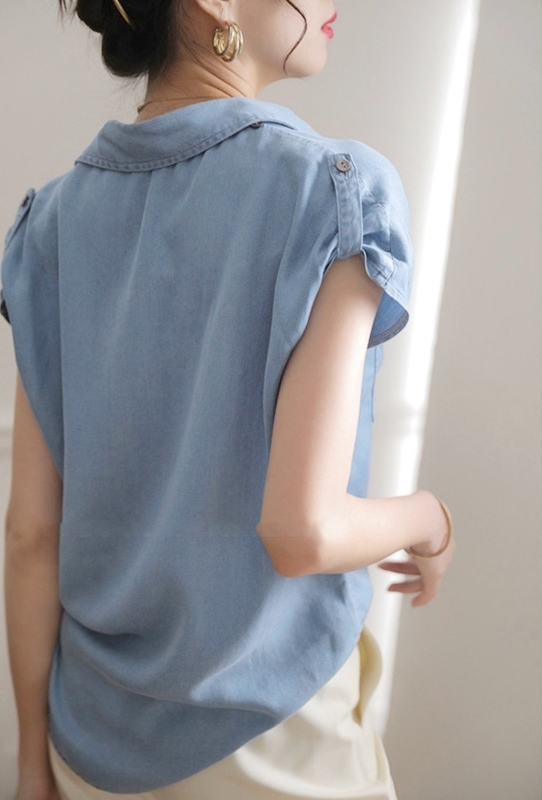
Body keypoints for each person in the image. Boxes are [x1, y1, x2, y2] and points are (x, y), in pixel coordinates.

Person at [1, 0, 456, 798]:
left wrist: (32, 760)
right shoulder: (334, 191)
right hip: (271, 748)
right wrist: (428, 517)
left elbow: (32, 533)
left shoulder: (54, 223)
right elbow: (304, 532)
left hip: (89, 744)